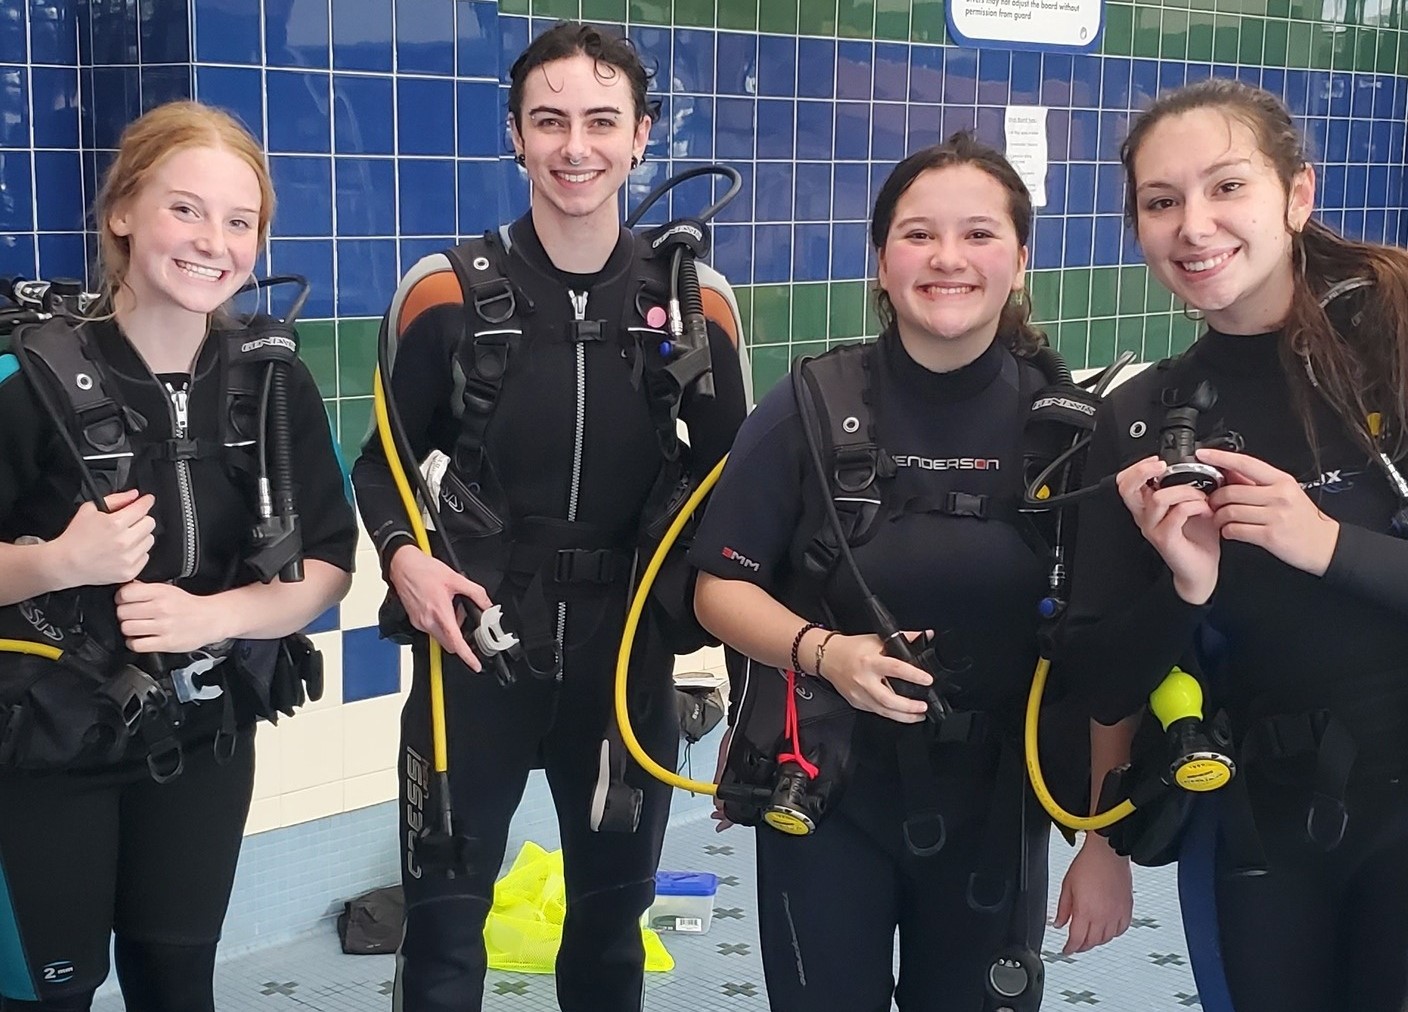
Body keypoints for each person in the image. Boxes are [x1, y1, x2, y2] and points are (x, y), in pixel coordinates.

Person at [350, 21, 746, 1012]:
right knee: (442, 941)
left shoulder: (699, 306)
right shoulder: (443, 292)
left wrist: (758, 697)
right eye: (551, 120)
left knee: (610, 939)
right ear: (515, 136)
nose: (577, 146)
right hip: (472, 658)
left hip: (623, 670)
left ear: (643, 135)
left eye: (602, 121)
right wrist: (406, 560)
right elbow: (382, 465)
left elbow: (742, 497)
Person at [690, 133, 1115, 1012]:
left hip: (997, 806)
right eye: (919, 235)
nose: (948, 259)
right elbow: (717, 590)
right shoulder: (806, 408)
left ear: (1021, 258)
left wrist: (1104, 842)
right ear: (881, 261)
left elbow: (1107, 639)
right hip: (827, 794)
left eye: (979, 234)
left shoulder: (1068, 430)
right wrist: (821, 652)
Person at [1060, 78, 1408, 1012]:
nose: (1194, 226)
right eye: (1161, 203)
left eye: (1226, 188)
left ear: (1297, 196)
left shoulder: (1397, 351)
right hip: (1259, 828)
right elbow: (1099, 673)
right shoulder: (1141, 419)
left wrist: (1327, 542)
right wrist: (1181, 587)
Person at [0, 101, 357, 1012]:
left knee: (177, 983)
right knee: (50, 995)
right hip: (45, 748)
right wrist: (56, 563)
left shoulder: (272, 381)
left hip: (201, 737)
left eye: (241, 222)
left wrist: (218, 616)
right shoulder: (29, 378)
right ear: (123, 211)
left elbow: (325, 565)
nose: (214, 241)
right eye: (185, 209)